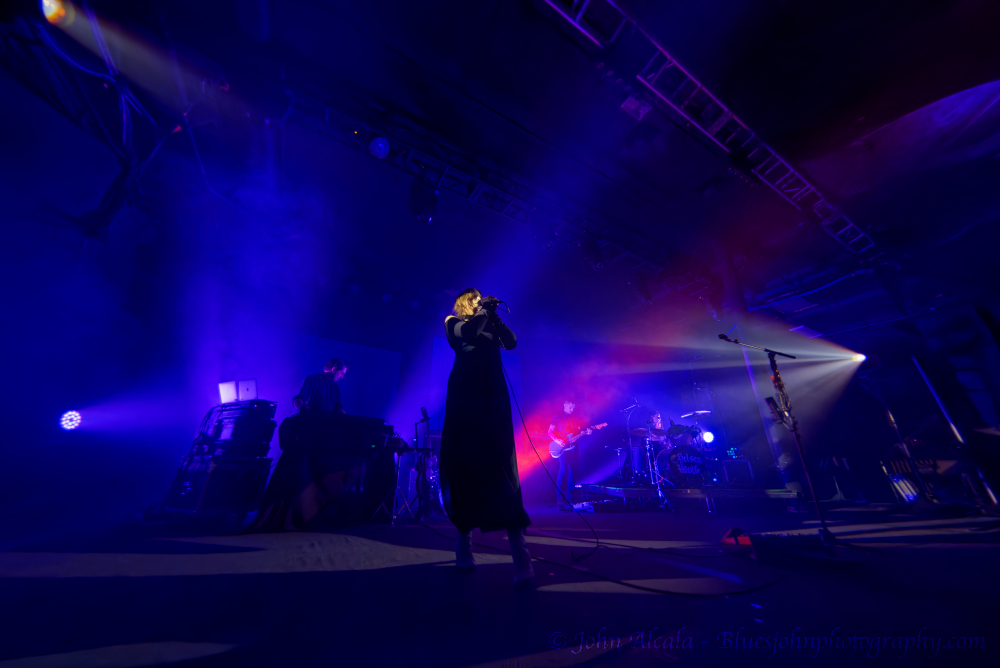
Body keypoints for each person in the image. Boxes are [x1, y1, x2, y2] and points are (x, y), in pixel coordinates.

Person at [439, 289, 534, 584]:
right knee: (463, 465)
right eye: (477, 299)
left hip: (493, 397)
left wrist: (495, 319)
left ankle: (521, 558)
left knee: (501, 466)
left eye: (483, 299)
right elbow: (466, 335)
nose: (482, 302)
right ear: (465, 304)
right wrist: (483, 314)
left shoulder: (489, 323)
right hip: (465, 397)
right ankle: (463, 548)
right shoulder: (453, 321)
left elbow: (512, 342)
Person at [548, 399, 591, 510]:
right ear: (565, 405)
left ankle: (569, 498)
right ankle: (559, 498)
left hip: (573, 447)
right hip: (562, 447)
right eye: (570, 407)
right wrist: (557, 440)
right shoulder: (557, 417)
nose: (572, 409)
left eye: (573, 407)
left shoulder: (576, 418)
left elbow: (578, 432)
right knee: (563, 471)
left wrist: (587, 432)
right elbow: (549, 432)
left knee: (573, 471)